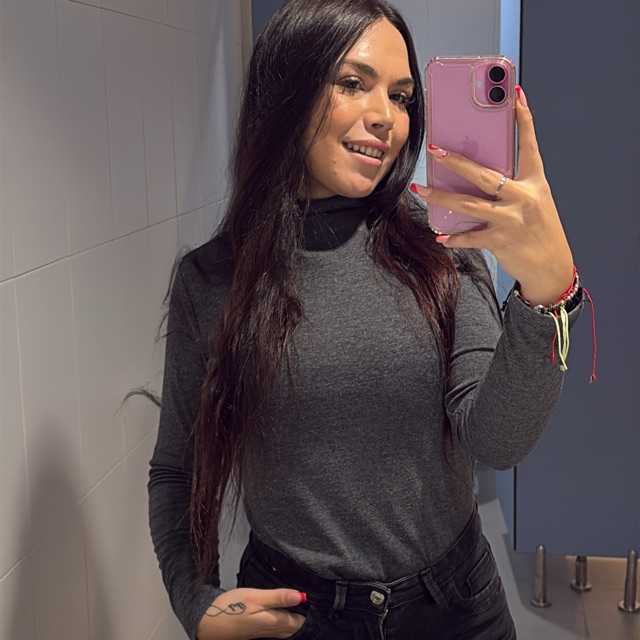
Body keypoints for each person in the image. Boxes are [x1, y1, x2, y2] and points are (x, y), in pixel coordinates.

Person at [147, 1, 591, 639]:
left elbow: (497, 441)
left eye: (402, 96)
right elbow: (177, 469)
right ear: (288, 90)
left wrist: (546, 297)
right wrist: (195, 600)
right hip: (298, 615)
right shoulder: (215, 279)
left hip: (457, 609)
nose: (387, 116)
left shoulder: (441, 247)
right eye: (353, 83)